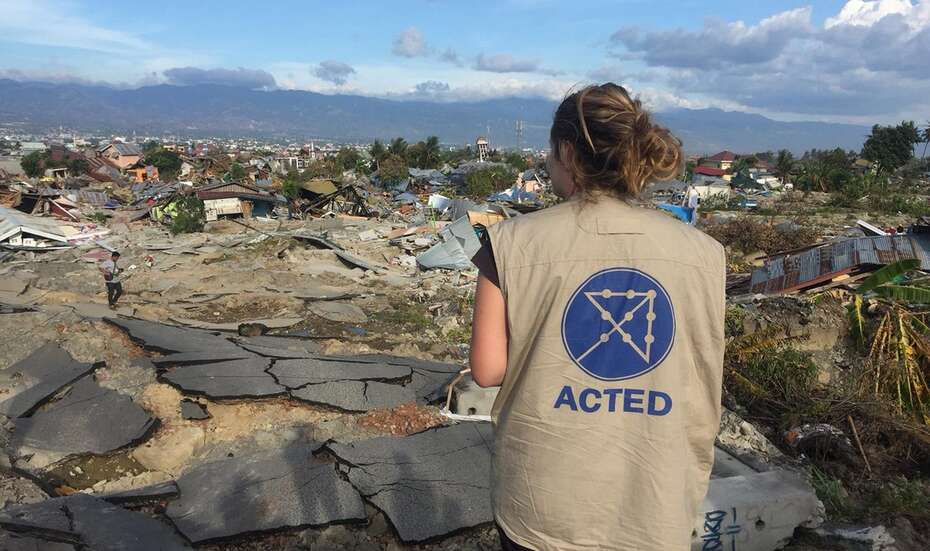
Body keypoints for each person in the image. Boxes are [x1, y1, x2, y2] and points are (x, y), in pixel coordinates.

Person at [469, 83, 726, 551]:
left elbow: (487, 371)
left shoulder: (508, 243)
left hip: (543, 504)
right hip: (653, 502)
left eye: (551, 152)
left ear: (567, 153)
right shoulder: (705, 254)